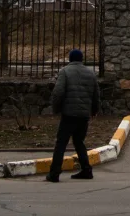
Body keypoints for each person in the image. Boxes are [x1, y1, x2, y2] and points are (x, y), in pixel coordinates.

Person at [46, 48, 100, 182]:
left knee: (61, 143)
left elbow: (58, 92)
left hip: (69, 114)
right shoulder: (91, 73)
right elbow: (96, 95)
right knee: (79, 141)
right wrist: (94, 111)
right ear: (81, 59)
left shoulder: (65, 71)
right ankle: (86, 170)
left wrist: (56, 109)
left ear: (70, 59)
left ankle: (54, 173)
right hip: (84, 115)